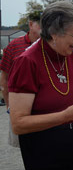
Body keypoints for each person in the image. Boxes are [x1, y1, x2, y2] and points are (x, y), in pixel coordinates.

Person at [8, 1, 73, 170]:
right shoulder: (27, 62)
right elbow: (19, 123)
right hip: (46, 156)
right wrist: (65, 116)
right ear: (53, 33)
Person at [0, 10, 42, 147]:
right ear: (31, 25)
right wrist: (9, 105)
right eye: (41, 26)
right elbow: (4, 78)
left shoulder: (50, 46)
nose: (44, 30)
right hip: (20, 105)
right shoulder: (14, 46)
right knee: (24, 145)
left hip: (43, 106)